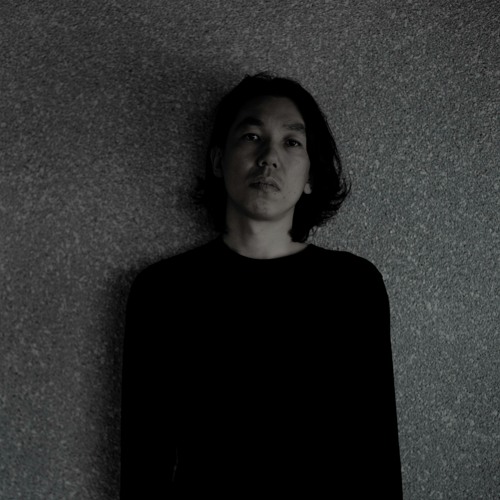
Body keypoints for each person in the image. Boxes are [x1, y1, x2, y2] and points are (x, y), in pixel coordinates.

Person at [120, 73, 403, 498]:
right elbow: (143, 462)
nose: (269, 157)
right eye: (252, 136)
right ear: (218, 161)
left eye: (292, 142)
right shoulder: (162, 291)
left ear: (310, 174)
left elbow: (376, 452)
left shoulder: (353, 288)